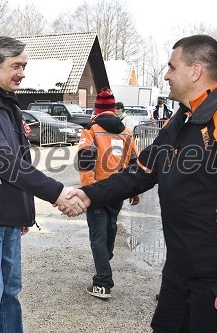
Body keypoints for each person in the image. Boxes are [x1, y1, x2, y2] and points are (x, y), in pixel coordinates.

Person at [62, 35, 217, 332]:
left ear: (195, 71)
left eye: (171, 67)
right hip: (180, 273)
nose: (166, 75)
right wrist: (88, 194)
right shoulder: (181, 119)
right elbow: (141, 172)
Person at [0, 36, 86, 333]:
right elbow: (0, 161)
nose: (22, 72)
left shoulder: (10, 105)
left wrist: (23, 213)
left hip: (6, 218)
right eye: (16, 66)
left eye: (24, 65)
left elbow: (20, 160)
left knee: (8, 295)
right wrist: (58, 192)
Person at [78, 88, 139, 299]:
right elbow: (134, 163)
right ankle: (106, 257)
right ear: (114, 110)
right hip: (118, 190)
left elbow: (85, 161)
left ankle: (102, 283)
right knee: (111, 226)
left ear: (97, 110)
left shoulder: (91, 130)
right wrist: (134, 190)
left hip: (97, 190)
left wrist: (88, 190)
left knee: (98, 235)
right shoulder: (126, 132)